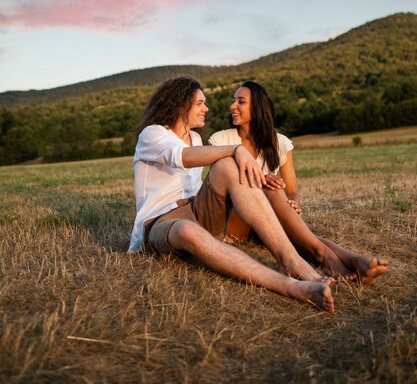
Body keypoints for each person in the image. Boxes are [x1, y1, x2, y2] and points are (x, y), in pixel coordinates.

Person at [129, 76, 335, 312]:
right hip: (161, 221)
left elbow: (211, 171)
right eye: (200, 103)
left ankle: (290, 260)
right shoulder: (152, 134)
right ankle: (289, 286)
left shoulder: (196, 138)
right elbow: (182, 157)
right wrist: (237, 149)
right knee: (188, 228)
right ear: (180, 104)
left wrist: (255, 176)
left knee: (227, 166)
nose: (206, 109)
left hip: (197, 211)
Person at [209, 81, 388, 283]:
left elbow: (292, 191)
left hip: (267, 218)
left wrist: (293, 205)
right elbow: (221, 191)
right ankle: (324, 255)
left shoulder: (281, 143)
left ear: (258, 108)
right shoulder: (221, 140)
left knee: (296, 231)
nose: (232, 106)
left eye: (240, 102)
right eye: (234, 101)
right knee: (270, 187)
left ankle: (356, 261)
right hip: (234, 221)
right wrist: (259, 179)